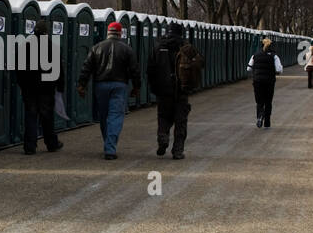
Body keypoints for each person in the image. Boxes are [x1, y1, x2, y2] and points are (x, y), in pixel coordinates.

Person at [78, 21, 142, 160]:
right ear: (120, 33)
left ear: (108, 32)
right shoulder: (127, 49)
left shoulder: (96, 48)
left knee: (104, 116)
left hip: (100, 85)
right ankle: (110, 148)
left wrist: (82, 85)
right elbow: (134, 70)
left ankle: (108, 143)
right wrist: (137, 87)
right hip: (119, 85)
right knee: (115, 116)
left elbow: (86, 68)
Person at [148, 21, 201, 160]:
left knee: (163, 116)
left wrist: (154, 88)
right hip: (181, 89)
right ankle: (177, 150)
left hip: (163, 89)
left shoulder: (158, 47)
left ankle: (163, 138)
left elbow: (150, 69)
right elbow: (198, 67)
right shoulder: (186, 48)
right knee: (181, 121)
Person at [15, 50, 64, 155]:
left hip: (30, 90)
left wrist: (23, 86)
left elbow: (19, 71)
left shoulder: (25, 48)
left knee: (31, 117)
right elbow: (58, 70)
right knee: (47, 118)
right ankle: (52, 144)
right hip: (46, 90)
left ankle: (29, 147)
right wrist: (60, 87)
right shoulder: (51, 48)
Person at [247, 37, 283, 128]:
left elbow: (248, 68)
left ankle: (260, 116)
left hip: (257, 81)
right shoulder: (274, 56)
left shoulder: (255, 55)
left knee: (259, 101)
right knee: (268, 101)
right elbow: (279, 69)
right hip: (269, 81)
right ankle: (267, 122)